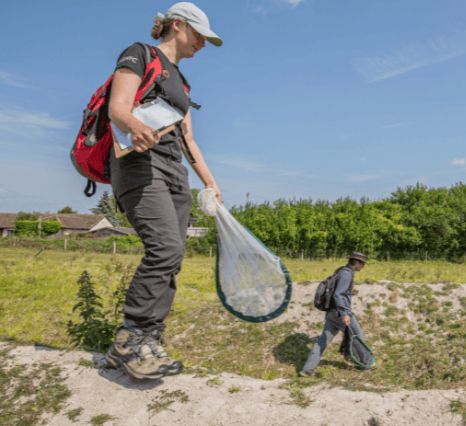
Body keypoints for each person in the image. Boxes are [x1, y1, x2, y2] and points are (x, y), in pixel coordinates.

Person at [104, 2, 223, 380]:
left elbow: (188, 139)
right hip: (139, 163)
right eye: (199, 35)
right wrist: (134, 126)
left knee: (174, 256)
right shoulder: (139, 54)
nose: (203, 44)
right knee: (164, 248)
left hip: (173, 172)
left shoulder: (182, 84)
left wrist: (209, 182)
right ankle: (130, 338)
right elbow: (117, 107)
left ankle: (148, 341)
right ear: (177, 26)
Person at [300, 252, 368, 376]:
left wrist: (349, 293)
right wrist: (344, 313)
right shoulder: (347, 274)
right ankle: (366, 363)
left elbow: (337, 291)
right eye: (362, 263)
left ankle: (307, 370)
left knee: (322, 342)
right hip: (340, 313)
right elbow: (338, 294)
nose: (363, 266)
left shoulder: (341, 270)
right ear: (356, 262)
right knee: (357, 335)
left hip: (331, 313)